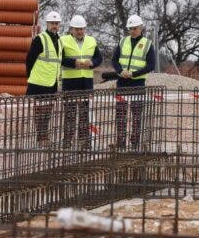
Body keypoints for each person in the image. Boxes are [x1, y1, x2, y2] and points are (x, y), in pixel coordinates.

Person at [111, 14, 156, 150]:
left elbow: (151, 65)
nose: (132, 31)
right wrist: (120, 71)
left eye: (134, 28)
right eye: (130, 28)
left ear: (141, 28)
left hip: (138, 83)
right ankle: (121, 141)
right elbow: (115, 60)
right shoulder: (123, 41)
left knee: (137, 115)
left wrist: (134, 74)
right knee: (120, 114)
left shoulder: (147, 45)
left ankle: (135, 141)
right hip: (122, 82)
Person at [59, 15, 102, 149]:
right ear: (71, 29)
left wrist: (92, 63)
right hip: (70, 82)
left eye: (82, 29)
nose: (80, 32)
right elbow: (59, 58)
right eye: (77, 29)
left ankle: (83, 140)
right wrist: (73, 63)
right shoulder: (63, 40)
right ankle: (67, 140)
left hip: (86, 82)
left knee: (85, 113)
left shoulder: (91, 41)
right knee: (70, 113)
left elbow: (98, 58)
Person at [26, 11, 62, 148]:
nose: (54, 26)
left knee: (47, 111)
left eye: (57, 24)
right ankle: (41, 137)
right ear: (47, 24)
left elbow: (60, 60)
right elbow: (29, 60)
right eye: (52, 23)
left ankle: (43, 135)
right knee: (40, 111)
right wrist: (30, 76)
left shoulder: (59, 41)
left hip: (51, 83)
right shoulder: (40, 39)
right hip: (39, 83)